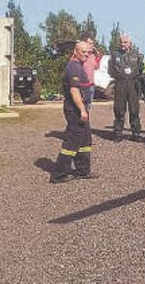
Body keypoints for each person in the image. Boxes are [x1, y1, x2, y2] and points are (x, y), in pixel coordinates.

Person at [50, 41, 98, 183]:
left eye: (88, 52)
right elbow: (74, 90)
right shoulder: (73, 67)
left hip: (80, 109)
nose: (86, 54)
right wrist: (82, 110)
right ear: (75, 52)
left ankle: (82, 170)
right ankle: (59, 174)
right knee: (72, 141)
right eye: (83, 52)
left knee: (85, 139)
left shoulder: (79, 65)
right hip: (75, 109)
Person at [109, 33, 143, 142]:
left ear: (130, 43)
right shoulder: (115, 55)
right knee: (119, 110)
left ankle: (136, 134)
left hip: (133, 85)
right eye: (121, 42)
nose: (123, 44)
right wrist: (119, 77)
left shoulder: (136, 55)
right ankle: (118, 134)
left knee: (134, 110)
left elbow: (141, 69)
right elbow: (110, 70)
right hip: (120, 84)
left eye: (125, 42)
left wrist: (134, 77)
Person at [81, 35, 101, 110]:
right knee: (82, 107)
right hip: (83, 86)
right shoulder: (81, 56)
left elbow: (96, 67)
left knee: (89, 107)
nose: (92, 45)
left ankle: (87, 121)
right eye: (90, 43)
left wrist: (98, 57)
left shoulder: (92, 56)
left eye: (93, 44)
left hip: (91, 85)